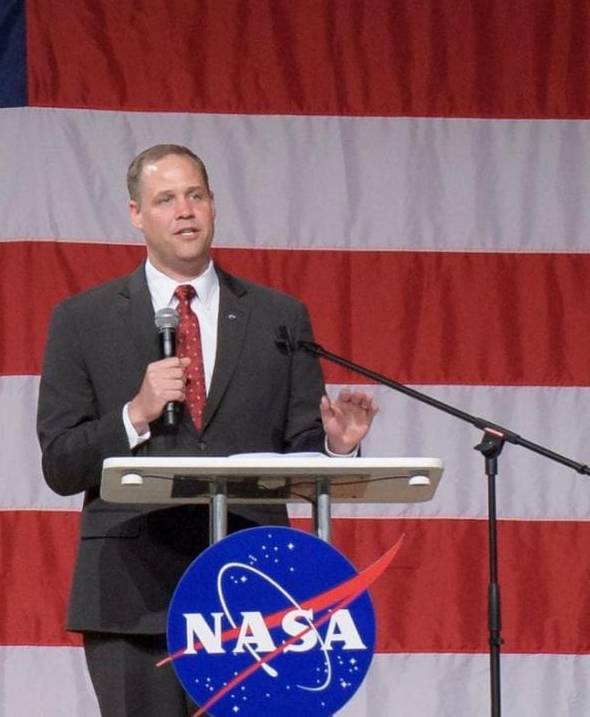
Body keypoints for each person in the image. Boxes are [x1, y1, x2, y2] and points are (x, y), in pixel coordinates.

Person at [37, 144, 378, 716]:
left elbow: (298, 452)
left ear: (214, 206)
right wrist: (135, 414)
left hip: (256, 594)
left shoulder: (278, 317)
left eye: (195, 195)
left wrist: (335, 448)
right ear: (136, 215)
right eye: (165, 199)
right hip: (133, 594)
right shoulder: (82, 320)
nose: (185, 210)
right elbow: (61, 464)